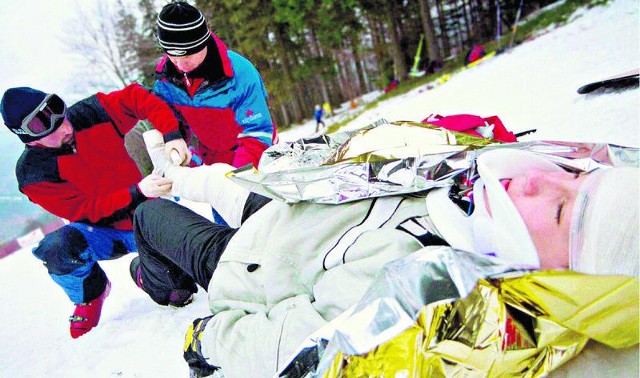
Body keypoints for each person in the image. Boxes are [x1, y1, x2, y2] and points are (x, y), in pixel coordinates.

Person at [131, 134, 639, 377]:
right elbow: (293, 188)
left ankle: (161, 283)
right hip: (286, 215)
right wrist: (187, 178)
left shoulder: (416, 278)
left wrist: (207, 338)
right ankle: (170, 208)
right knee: (175, 190)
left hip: (242, 262)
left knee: (148, 216)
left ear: (558, 270)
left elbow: (291, 343)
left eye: (556, 209)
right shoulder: (455, 183)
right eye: (572, 175)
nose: (535, 179)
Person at [0, 84, 190, 339]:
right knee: (56, 249)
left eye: (63, 119)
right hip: (100, 232)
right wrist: (136, 192)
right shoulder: (33, 175)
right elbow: (85, 210)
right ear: (31, 139)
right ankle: (91, 293)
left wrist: (171, 133)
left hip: (146, 216)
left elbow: (136, 97)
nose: (67, 129)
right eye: (53, 131)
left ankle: (145, 272)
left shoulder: (90, 113)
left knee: (177, 292)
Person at [149, 1, 277, 168]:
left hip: (257, 151)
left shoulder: (240, 73)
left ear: (203, 44)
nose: (179, 64)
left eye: (186, 55)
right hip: (211, 155)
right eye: (172, 56)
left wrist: (240, 176)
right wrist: (175, 144)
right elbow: (171, 122)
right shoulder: (166, 81)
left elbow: (256, 131)